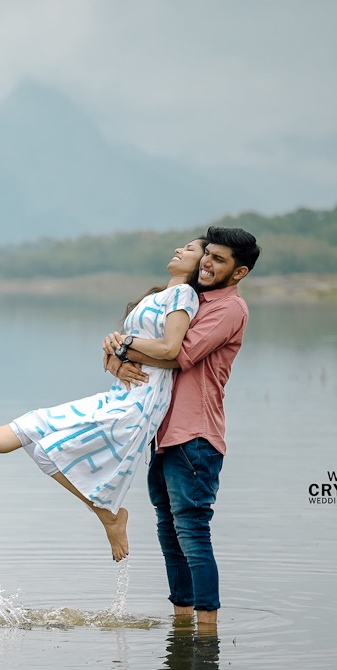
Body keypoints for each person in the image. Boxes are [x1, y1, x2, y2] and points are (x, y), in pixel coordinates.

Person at [0, 238, 207, 562]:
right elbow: (134, 345)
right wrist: (115, 351)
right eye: (183, 246)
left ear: (202, 265)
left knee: (46, 448)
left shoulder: (184, 295)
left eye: (191, 250)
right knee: (33, 427)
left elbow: (171, 350)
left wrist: (123, 345)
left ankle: (108, 514)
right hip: (122, 390)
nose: (180, 250)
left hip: (141, 398)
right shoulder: (156, 296)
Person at [103, 226, 259, 625]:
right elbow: (146, 353)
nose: (207, 262)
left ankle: (207, 633)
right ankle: (182, 623)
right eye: (208, 253)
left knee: (191, 533)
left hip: (195, 436)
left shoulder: (229, 309)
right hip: (164, 433)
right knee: (169, 533)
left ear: (239, 272)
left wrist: (121, 344)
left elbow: (178, 356)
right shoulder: (191, 300)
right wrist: (116, 349)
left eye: (219, 259)